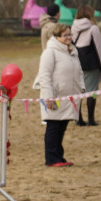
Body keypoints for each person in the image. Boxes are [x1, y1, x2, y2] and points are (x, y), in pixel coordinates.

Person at [33, 23, 84, 166]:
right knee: (54, 127)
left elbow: (79, 71)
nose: (69, 37)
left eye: (70, 34)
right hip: (55, 96)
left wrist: (82, 88)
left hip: (70, 97)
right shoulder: (50, 52)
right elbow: (45, 75)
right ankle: (51, 158)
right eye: (65, 35)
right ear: (57, 37)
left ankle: (59, 157)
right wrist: (48, 97)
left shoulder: (73, 51)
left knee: (62, 127)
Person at [71, 5, 101, 126]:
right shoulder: (94, 28)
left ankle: (78, 119)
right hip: (91, 64)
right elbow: (99, 49)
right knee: (92, 92)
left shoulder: (73, 27)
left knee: (79, 91)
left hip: (76, 63)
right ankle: (91, 119)